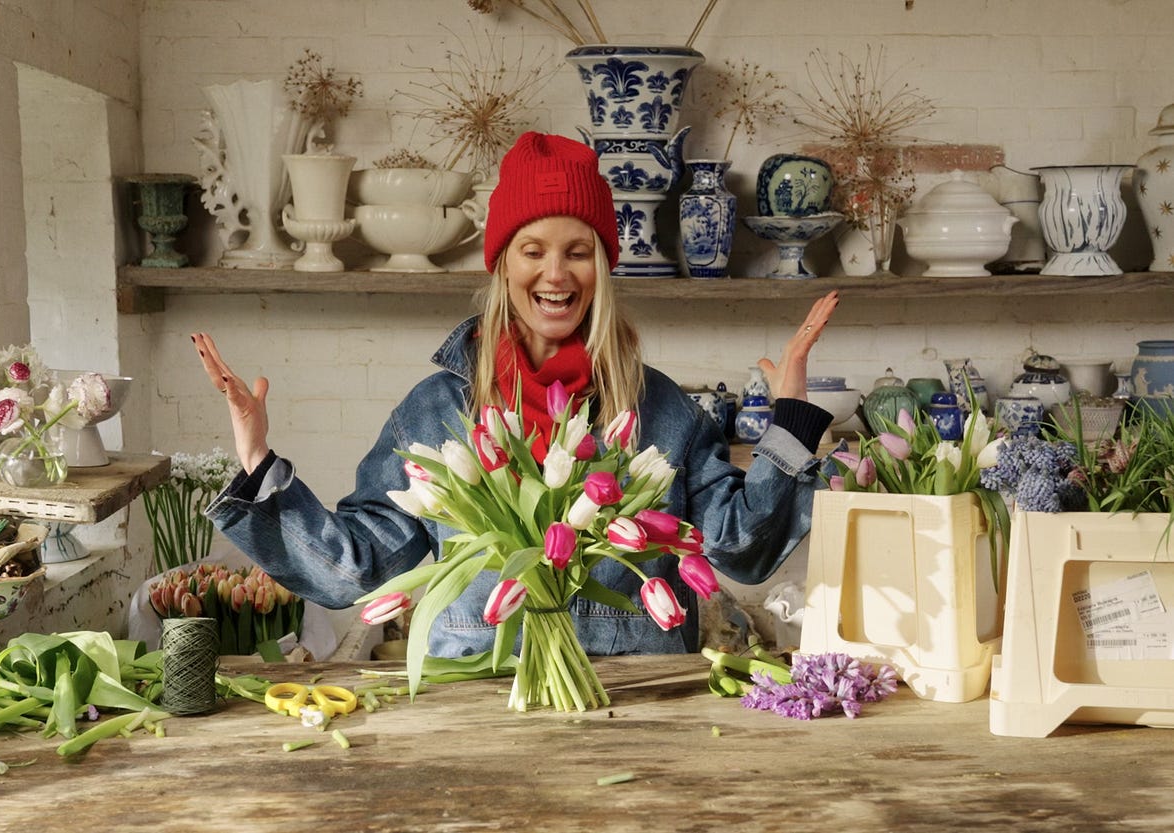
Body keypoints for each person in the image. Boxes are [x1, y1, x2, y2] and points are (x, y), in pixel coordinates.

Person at [193, 131, 839, 657]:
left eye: (578, 252)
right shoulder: (438, 412)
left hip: (636, 698)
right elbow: (356, 569)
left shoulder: (661, 409)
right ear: (503, 263)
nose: (556, 273)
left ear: (601, 268)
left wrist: (789, 424)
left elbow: (743, 549)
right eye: (533, 250)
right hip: (478, 697)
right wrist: (257, 464)